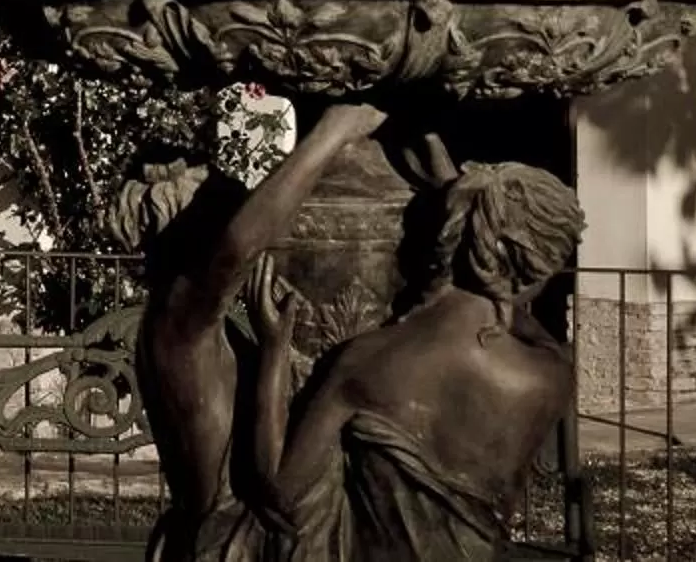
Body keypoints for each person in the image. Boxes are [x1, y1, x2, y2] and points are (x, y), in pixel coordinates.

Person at [236, 148, 586, 561]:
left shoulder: (366, 360)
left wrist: (274, 351)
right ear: (535, 271)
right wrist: (501, 292)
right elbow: (537, 332)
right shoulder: (551, 377)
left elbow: (280, 490)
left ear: (448, 238)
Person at [134, 98, 390, 562]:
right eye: (220, 204)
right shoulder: (179, 321)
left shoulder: (199, 327)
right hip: (234, 545)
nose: (245, 209)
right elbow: (235, 250)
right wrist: (332, 131)